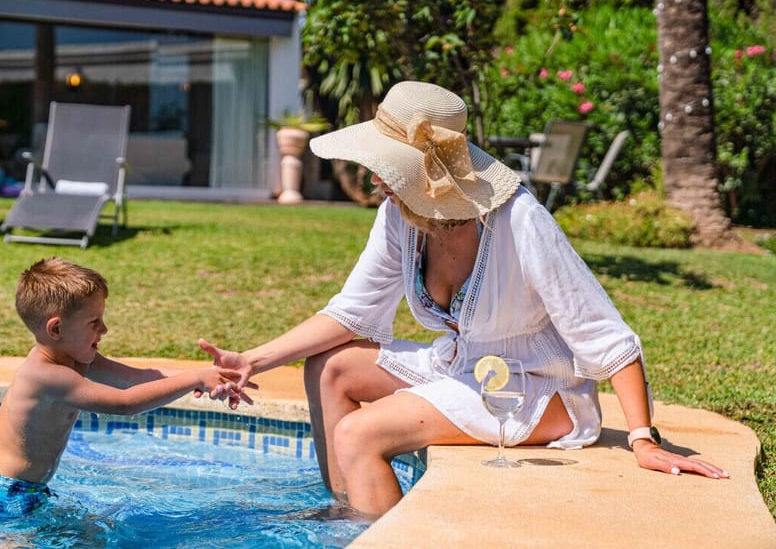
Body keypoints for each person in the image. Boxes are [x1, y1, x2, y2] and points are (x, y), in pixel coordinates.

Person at [200, 80, 728, 519]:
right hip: (462, 369)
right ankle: (348, 514)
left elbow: (606, 335)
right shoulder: (399, 216)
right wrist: (253, 359)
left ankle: (378, 531)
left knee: (360, 434)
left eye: (386, 164)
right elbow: (351, 313)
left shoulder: (519, 219)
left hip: (536, 392)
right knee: (331, 368)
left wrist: (644, 439)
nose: (374, 176)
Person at [0, 257, 245, 519]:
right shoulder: (46, 375)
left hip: (22, 491)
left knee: (91, 534)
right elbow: (126, 403)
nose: (104, 330)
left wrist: (207, 375)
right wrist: (193, 380)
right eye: (94, 322)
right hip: (2, 493)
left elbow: (138, 378)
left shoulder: (75, 359)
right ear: (56, 329)